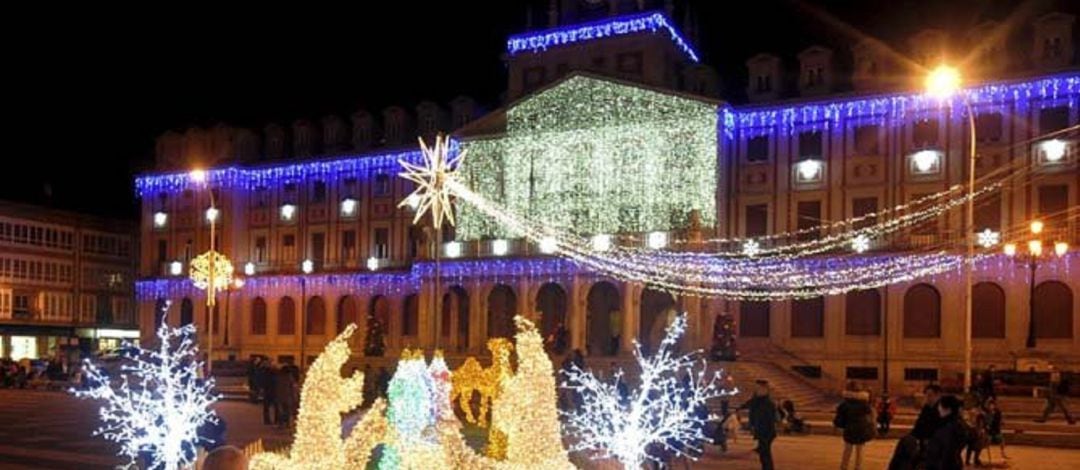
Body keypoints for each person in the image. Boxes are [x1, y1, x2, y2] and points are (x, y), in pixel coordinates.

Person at [888, 384, 944, 470]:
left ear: (938, 395)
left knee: (910, 455)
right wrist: (911, 437)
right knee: (904, 445)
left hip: (933, 444)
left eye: (930, 395)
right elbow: (918, 426)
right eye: (926, 395)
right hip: (921, 440)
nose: (928, 398)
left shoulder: (942, 410)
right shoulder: (926, 408)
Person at [834, 382, 874, 470]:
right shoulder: (864, 403)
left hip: (850, 428)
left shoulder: (844, 404)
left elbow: (840, 417)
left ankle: (844, 466)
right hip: (862, 428)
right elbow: (870, 414)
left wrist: (839, 425)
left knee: (847, 449)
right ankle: (858, 467)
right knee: (860, 450)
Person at [739, 379, 778, 470]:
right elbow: (750, 403)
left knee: (765, 453)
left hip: (766, 431)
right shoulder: (758, 401)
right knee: (764, 453)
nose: (756, 390)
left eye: (758, 388)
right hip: (762, 430)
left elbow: (769, 419)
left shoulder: (767, 403)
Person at [924, 395, 967, 470]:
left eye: (940, 406)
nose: (938, 409)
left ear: (948, 409)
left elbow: (946, 451)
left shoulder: (948, 427)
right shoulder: (957, 424)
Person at [259, 360, 278, 425]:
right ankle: (276, 420)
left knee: (267, 407)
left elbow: (262, 381)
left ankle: (267, 420)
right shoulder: (275, 373)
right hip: (273, 391)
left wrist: (262, 388)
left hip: (267, 391)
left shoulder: (264, 372)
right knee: (276, 407)